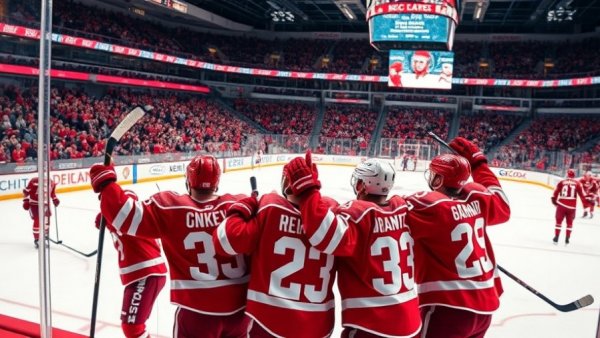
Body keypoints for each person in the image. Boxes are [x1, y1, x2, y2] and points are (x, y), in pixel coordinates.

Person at [89, 155, 251, 338]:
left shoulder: (170, 207)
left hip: (195, 313)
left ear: (188, 181)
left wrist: (106, 183)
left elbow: (124, 215)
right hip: (240, 313)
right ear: (217, 182)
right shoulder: (239, 205)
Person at [285, 153, 421, 337]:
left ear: (361, 186)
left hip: (373, 324)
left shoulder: (358, 213)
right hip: (411, 320)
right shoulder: (403, 207)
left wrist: (308, 190)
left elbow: (322, 235)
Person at [403, 138, 511, 338]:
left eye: (434, 174)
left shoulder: (430, 206)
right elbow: (503, 207)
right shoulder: (477, 196)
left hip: (448, 307)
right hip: (485, 306)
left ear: (438, 180)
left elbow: (387, 217)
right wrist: (479, 163)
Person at [212, 168, 337, 338]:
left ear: (286, 184)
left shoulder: (270, 206)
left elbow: (227, 242)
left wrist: (246, 205)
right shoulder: (334, 215)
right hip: (318, 325)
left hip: (269, 322)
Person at [94, 189, 168, 338]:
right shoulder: (115, 219)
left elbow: (104, 219)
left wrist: (106, 204)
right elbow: (100, 220)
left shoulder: (129, 221)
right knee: (132, 326)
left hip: (147, 274)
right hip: (140, 275)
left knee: (132, 327)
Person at [22, 177, 60, 249]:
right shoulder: (34, 181)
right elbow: (25, 192)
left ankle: (44, 235)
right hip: (34, 204)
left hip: (45, 204)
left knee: (47, 220)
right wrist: (25, 201)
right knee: (38, 220)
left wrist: (55, 199)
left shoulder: (51, 182)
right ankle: (37, 239)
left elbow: (52, 193)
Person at [551, 169, 587, 244]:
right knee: (570, 223)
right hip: (572, 207)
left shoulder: (561, 182)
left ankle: (556, 237)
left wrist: (554, 202)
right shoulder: (578, 183)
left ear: (567, 174)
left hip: (561, 205)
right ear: (574, 175)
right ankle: (567, 238)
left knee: (558, 222)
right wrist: (585, 207)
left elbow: (555, 193)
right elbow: (582, 196)